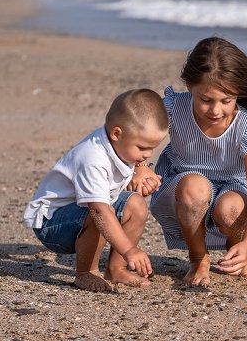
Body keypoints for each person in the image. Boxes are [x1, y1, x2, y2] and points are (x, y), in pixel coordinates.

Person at [138, 36, 247, 287]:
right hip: (185, 187)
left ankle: (238, 253)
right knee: (194, 188)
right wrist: (141, 168)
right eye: (206, 100)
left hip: (235, 190)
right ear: (189, 86)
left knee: (230, 209)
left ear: (237, 93)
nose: (215, 110)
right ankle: (198, 258)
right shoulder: (174, 108)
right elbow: (136, 132)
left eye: (226, 100)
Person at [23, 89, 168, 292]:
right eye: (142, 148)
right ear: (117, 133)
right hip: (53, 224)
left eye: (153, 148)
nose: (148, 154)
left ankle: (116, 269)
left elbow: (120, 181)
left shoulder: (120, 145)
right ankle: (86, 272)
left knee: (136, 204)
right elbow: (99, 210)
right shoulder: (92, 159)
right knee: (99, 213)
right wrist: (129, 250)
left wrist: (140, 169)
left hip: (84, 211)